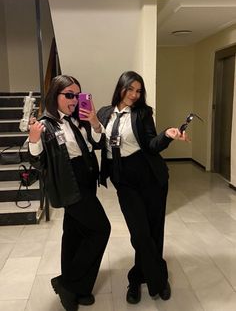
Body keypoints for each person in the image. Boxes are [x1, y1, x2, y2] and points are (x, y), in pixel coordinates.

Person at [97, 71, 188, 304]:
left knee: (154, 231)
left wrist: (167, 134)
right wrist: (92, 127)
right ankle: (157, 278)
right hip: (123, 180)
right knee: (139, 234)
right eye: (131, 89)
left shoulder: (143, 113)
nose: (135, 95)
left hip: (150, 178)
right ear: (121, 88)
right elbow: (97, 142)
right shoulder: (104, 114)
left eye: (139, 91)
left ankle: (138, 277)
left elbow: (150, 144)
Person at [28, 75, 111, 311]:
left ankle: (80, 289)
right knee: (101, 229)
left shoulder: (77, 120)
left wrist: (94, 121)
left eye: (77, 95)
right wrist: (34, 139)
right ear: (56, 96)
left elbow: (97, 143)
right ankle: (68, 282)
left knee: (74, 234)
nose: (74, 100)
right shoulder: (45, 124)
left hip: (86, 180)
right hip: (69, 184)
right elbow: (37, 162)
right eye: (69, 95)